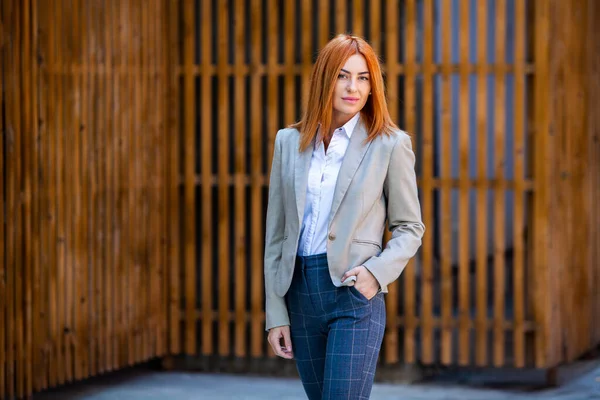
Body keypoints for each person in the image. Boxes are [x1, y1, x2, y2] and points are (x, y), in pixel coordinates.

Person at [264, 34, 425, 399]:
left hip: (353, 295)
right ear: (325, 78)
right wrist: (276, 312)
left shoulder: (390, 144)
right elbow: (277, 235)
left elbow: (410, 227)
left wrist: (376, 273)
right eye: (343, 75)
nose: (354, 87)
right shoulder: (288, 143)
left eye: (364, 77)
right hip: (300, 295)